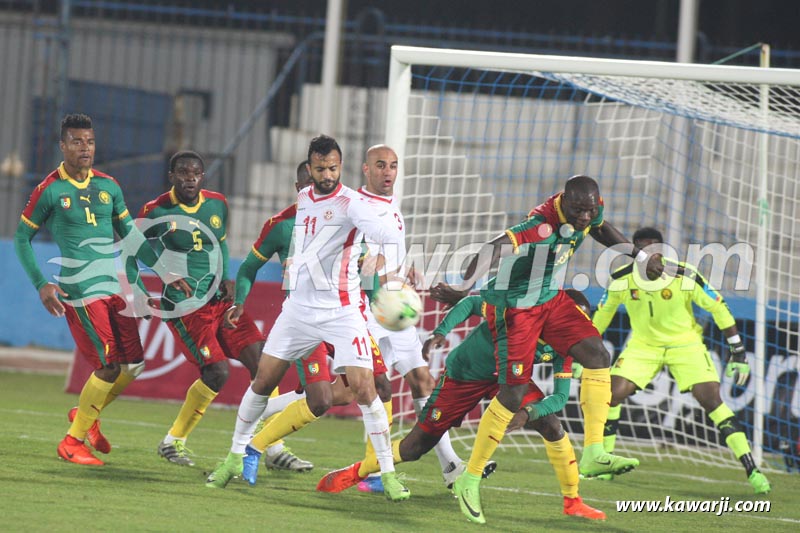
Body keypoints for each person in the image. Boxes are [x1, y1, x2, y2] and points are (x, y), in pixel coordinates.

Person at [430, 175, 662, 524]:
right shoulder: (540, 225)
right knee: (512, 395)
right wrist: (465, 287)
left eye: (590, 210)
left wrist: (640, 256)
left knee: (598, 355)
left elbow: (601, 229)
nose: (585, 217)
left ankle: (595, 452)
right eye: (579, 211)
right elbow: (493, 248)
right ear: (564, 202)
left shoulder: (588, 211)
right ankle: (470, 478)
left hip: (549, 299)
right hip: (518, 308)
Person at [206, 135, 410, 501]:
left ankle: (388, 474)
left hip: (342, 312)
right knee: (262, 382)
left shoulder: (352, 202)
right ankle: (235, 456)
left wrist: (387, 246)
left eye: (333, 168)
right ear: (310, 168)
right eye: (321, 169)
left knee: (366, 388)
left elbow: (384, 232)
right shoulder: (304, 199)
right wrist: (300, 262)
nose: (328, 174)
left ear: (341, 166)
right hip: (298, 311)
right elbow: (312, 243)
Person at [318, 289, 606, 521]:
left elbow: (558, 398)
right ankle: (355, 472)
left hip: (510, 381)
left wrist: (528, 413)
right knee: (415, 447)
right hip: (465, 374)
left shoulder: (565, 347)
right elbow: (471, 303)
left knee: (551, 425)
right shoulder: (519, 309)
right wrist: (441, 330)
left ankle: (573, 501)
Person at [13, 113, 188, 466]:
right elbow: (21, 237)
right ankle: (72, 441)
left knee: (134, 365)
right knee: (108, 368)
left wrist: (164, 271)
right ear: (62, 146)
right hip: (80, 289)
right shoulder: (50, 189)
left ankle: (85, 414)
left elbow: (132, 235)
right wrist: (40, 284)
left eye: (90, 141)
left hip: (112, 287)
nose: (85, 148)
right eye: (77, 141)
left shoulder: (108, 186)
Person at [138, 151, 311, 469]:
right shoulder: (156, 210)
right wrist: (158, 277)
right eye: (183, 172)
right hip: (186, 307)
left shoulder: (217, 204)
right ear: (172, 176)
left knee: (264, 366)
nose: (190, 177)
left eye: (196, 173)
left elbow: (220, 243)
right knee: (217, 373)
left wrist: (227, 277)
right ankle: (173, 441)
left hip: (219, 300)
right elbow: (132, 245)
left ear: (202, 177)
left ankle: (270, 446)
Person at [590, 226, 771, 494]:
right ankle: (605, 461)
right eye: (641, 252)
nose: (649, 258)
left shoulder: (685, 274)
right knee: (611, 393)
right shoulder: (621, 279)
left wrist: (738, 352)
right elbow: (600, 318)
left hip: (685, 345)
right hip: (644, 345)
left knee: (711, 400)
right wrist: (584, 352)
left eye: (654, 252)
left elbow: (717, 307)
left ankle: (752, 469)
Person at [352, 145, 466, 493]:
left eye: (394, 166)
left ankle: (450, 465)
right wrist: (388, 279)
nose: (388, 172)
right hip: (371, 311)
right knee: (342, 395)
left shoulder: (392, 205)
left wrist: (406, 270)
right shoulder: (356, 208)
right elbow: (360, 257)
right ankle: (259, 431)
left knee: (422, 381)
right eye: (381, 165)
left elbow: (391, 251)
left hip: (395, 309)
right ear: (365, 169)